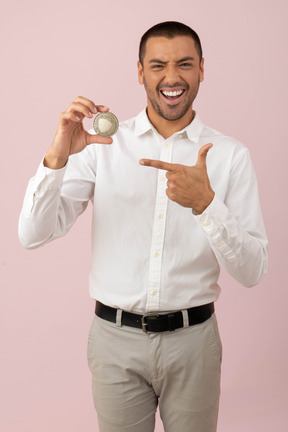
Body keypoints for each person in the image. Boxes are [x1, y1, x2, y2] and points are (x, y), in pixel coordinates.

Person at [18, 21, 268, 432]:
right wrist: (57, 155)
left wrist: (206, 205)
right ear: (140, 72)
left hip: (194, 342)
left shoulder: (229, 156)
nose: (172, 77)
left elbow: (253, 271)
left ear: (202, 69)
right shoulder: (101, 146)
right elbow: (32, 234)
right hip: (114, 339)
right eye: (158, 66)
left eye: (185, 64)